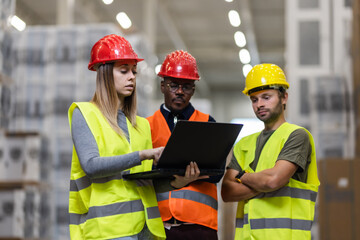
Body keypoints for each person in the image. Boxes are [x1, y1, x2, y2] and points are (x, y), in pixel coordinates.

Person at [68, 35, 203, 240]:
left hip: (145, 232)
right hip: (107, 231)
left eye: (133, 71)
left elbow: (143, 184)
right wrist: (142, 154)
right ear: (104, 73)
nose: (131, 77)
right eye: (124, 70)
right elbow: (91, 166)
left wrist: (179, 182)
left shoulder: (142, 126)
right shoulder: (85, 113)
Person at [221, 63, 320, 240]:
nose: (259, 104)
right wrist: (261, 183)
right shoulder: (244, 143)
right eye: (254, 99)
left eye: (266, 97)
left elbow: (273, 180)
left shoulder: (297, 136)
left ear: (284, 98)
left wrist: (242, 176)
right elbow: (227, 192)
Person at [147, 50, 223, 240]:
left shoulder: (207, 123)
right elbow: (140, 173)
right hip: (157, 226)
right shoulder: (146, 126)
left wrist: (167, 169)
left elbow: (217, 173)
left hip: (200, 227)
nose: (180, 91)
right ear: (162, 86)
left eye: (186, 86)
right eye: (174, 85)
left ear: (193, 90)